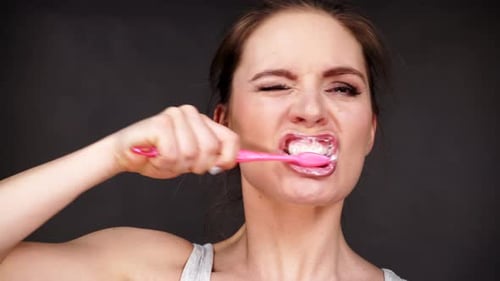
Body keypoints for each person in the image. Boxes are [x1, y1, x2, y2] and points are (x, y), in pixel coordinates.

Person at [0, 0, 406, 280]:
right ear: (224, 123)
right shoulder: (139, 270)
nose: (312, 109)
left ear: (368, 130)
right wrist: (113, 154)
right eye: (276, 86)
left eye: (342, 89)